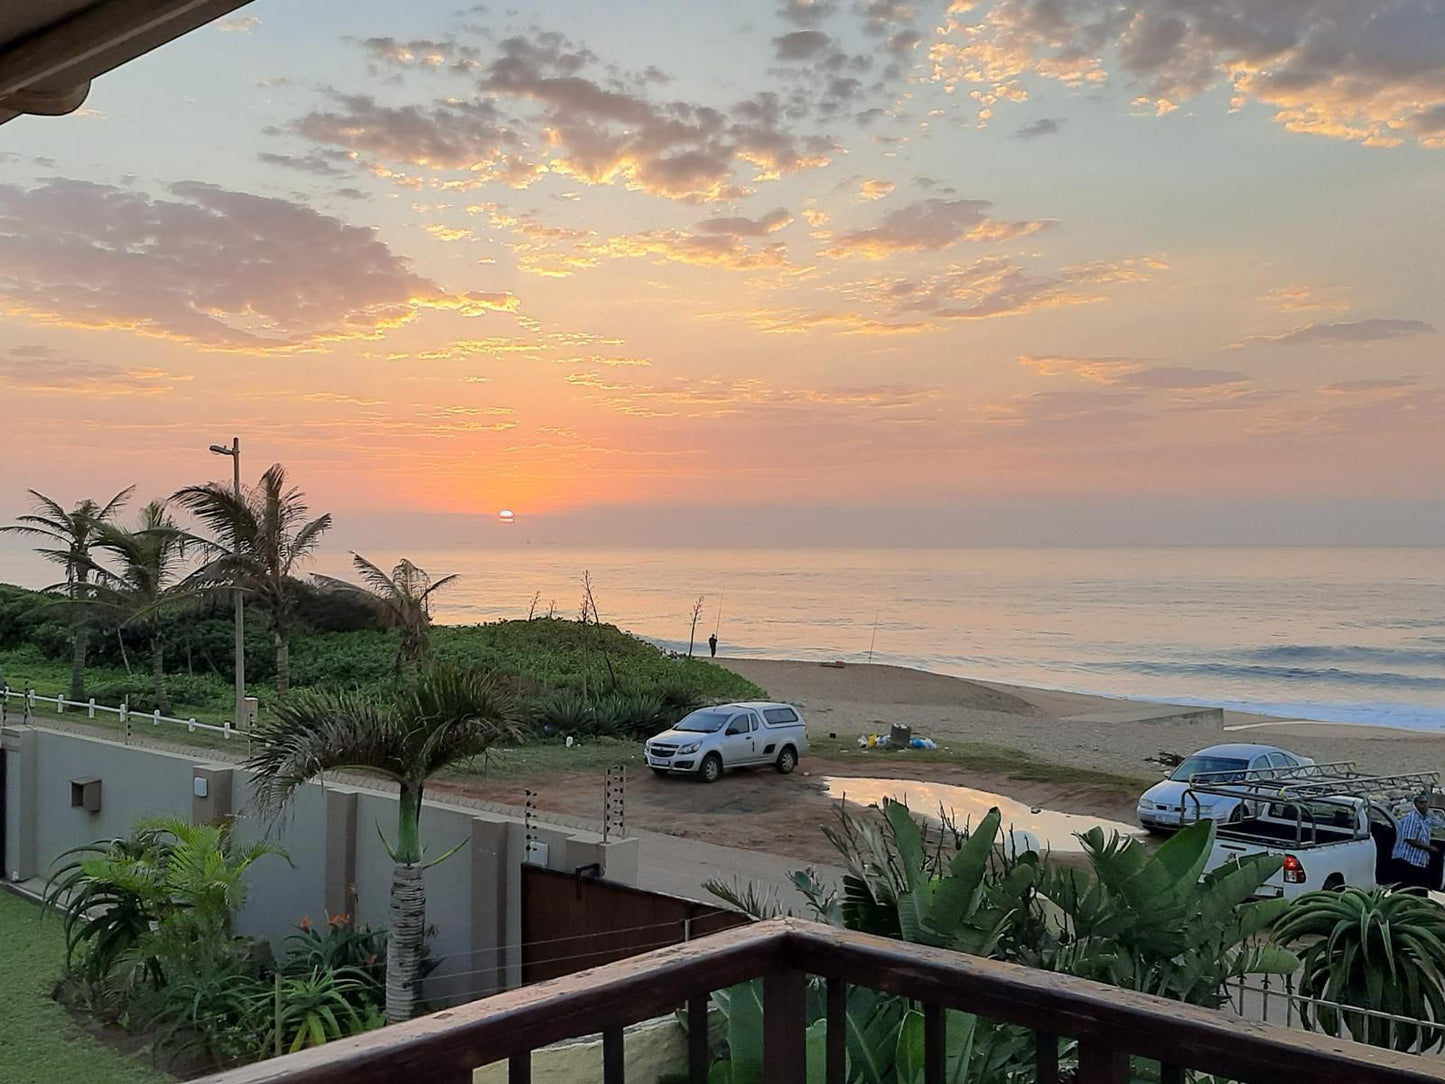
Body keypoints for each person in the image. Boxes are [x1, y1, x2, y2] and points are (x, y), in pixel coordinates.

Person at [1391, 793, 1439, 890]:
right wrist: (1430, 848)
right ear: (1415, 803)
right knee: (1408, 890)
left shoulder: (1425, 817)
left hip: (1418, 860)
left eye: (1426, 802)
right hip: (1407, 859)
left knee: (1419, 889)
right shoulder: (1412, 818)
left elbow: (1438, 824)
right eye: (1421, 802)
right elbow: (1409, 839)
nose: (1424, 805)